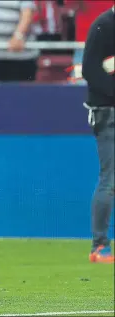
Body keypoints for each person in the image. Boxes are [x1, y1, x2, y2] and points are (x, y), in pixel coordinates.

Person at [81, 6, 114, 263]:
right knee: (110, 180)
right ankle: (100, 245)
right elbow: (90, 70)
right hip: (108, 112)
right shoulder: (103, 25)